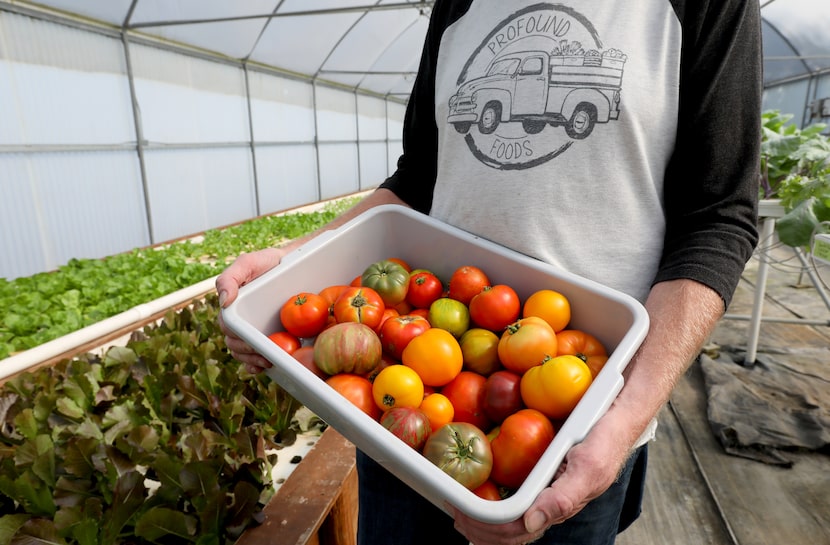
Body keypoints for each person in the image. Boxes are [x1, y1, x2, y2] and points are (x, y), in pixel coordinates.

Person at [217, 1, 763, 543]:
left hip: (575, 430)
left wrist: (622, 422)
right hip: (409, 399)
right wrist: (294, 257)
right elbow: (417, 177)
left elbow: (717, 220)